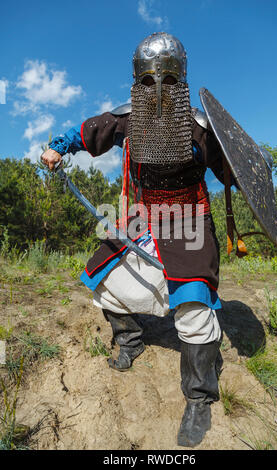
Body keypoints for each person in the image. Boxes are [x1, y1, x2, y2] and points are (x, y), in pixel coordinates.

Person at [41, 32, 230, 448]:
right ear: (137, 82)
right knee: (103, 275)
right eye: (148, 81)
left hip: (189, 220)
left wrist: (246, 169)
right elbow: (87, 131)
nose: (157, 89)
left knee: (194, 305)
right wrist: (58, 147)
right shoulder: (128, 120)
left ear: (180, 81)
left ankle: (199, 397)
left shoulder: (200, 127)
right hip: (142, 218)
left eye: (166, 80)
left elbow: (231, 172)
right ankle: (131, 339)